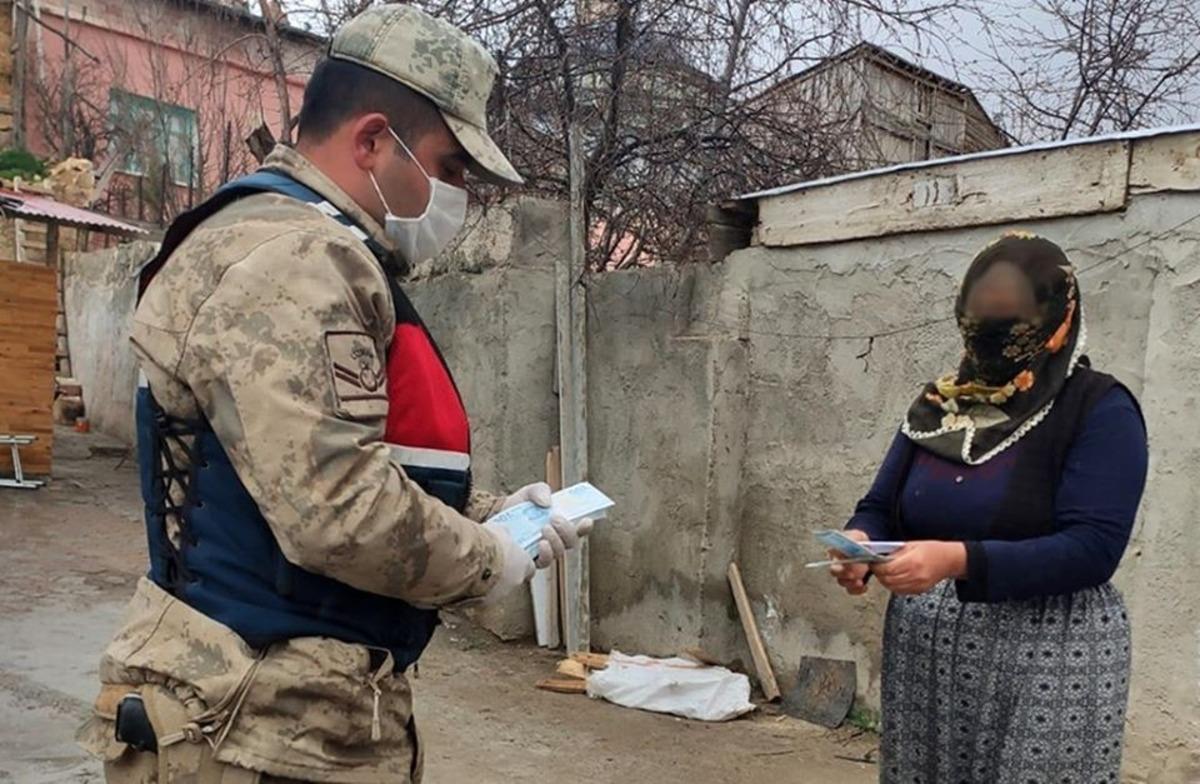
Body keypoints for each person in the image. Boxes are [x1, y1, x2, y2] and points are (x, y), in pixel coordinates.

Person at [78, 6, 590, 782]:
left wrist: (485, 513)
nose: (459, 194)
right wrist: (489, 558)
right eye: (450, 167)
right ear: (373, 141)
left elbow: (307, 461)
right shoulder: (293, 260)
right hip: (254, 724)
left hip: (288, 714)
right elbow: (337, 509)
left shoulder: (306, 247)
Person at [829, 232, 1148, 784]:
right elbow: (881, 506)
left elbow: (1093, 549)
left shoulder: (1099, 408)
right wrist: (859, 541)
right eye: (980, 327)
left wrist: (958, 560)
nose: (994, 344)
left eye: (1013, 329)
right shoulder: (940, 406)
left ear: (1059, 321)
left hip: (1051, 649)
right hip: (928, 652)